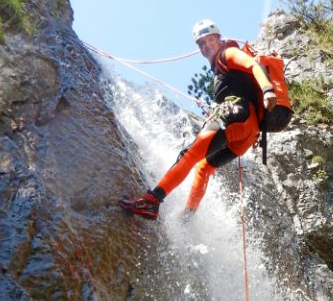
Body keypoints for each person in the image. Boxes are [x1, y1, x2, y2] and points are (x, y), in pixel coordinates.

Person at [119, 19, 278, 220]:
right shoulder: (221, 68)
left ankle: (152, 201)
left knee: (190, 154)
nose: (205, 46)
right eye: (201, 44)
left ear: (218, 39)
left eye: (209, 40)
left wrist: (267, 90)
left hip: (237, 113)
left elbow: (253, 64)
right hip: (248, 132)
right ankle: (188, 216)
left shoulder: (227, 53)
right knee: (204, 167)